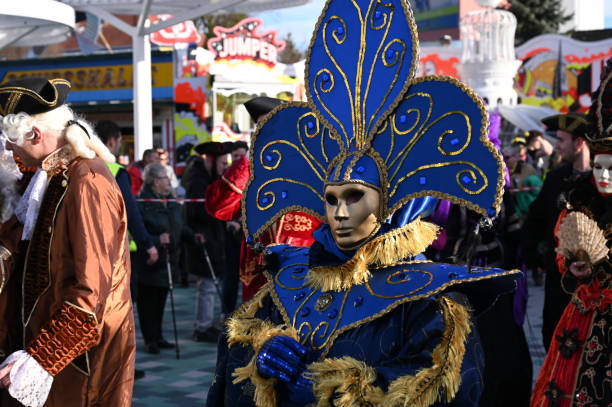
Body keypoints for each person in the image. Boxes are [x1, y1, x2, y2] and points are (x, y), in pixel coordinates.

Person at [206, 1, 521, 405]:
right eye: (331, 198)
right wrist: (260, 355)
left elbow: (447, 387)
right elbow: (235, 351)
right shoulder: (287, 281)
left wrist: (344, 391)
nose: (339, 212)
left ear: (384, 202)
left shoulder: (430, 299)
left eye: (354, 197)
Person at [0, 77, 135, 406]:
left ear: (35, 134)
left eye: (10, 140)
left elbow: (91, 295)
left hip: (81, 363)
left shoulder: (86, 180)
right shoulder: (50, 175)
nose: (7, 148)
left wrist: (41, 358)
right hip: (53, 352)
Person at [530, 60, 611, 407]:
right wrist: (572, 266)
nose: (604, 177)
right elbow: (564, 255)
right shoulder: (582, 201)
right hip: (582, 324)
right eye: (599, 167)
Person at [205, 98, 322, 302]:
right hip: (259, 280)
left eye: (272, 125)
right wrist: (249, 160)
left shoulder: (317, 164)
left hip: (306, 275)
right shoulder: (252, 170)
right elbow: (218, 206)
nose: (266, 133)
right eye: (261, 128)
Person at [521, 111, 591, 350]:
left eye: (562, 140)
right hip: (558, 284)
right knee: (554, 341)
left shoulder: (601, 180)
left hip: (594, 288)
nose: (556, 146)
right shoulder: (556, 178)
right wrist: (532, 254)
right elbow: (536, 218)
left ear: (580, 143)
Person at [183, 141, 230, 342]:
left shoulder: (209, 178)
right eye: (222, 164)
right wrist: (219, 210)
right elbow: (197, 211)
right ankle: (202, 327)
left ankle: (206, 323)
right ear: (211, 161)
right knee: (207, 285)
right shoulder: (198, 181)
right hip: (203, 238)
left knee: (210, 284)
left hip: (213, 237)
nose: (224, 168)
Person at [135, 163, 183, 354]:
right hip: (150, 259)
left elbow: (177, 225)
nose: (169, 182)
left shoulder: (170, 199)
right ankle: (150, 339)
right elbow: (138, 231)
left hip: (168, 259)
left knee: (162, 299)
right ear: (155, 181)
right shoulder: (143, 202)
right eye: (165, 178)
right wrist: (155, 240)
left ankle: (159, 336)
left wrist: (190, 235)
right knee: (148, 302)